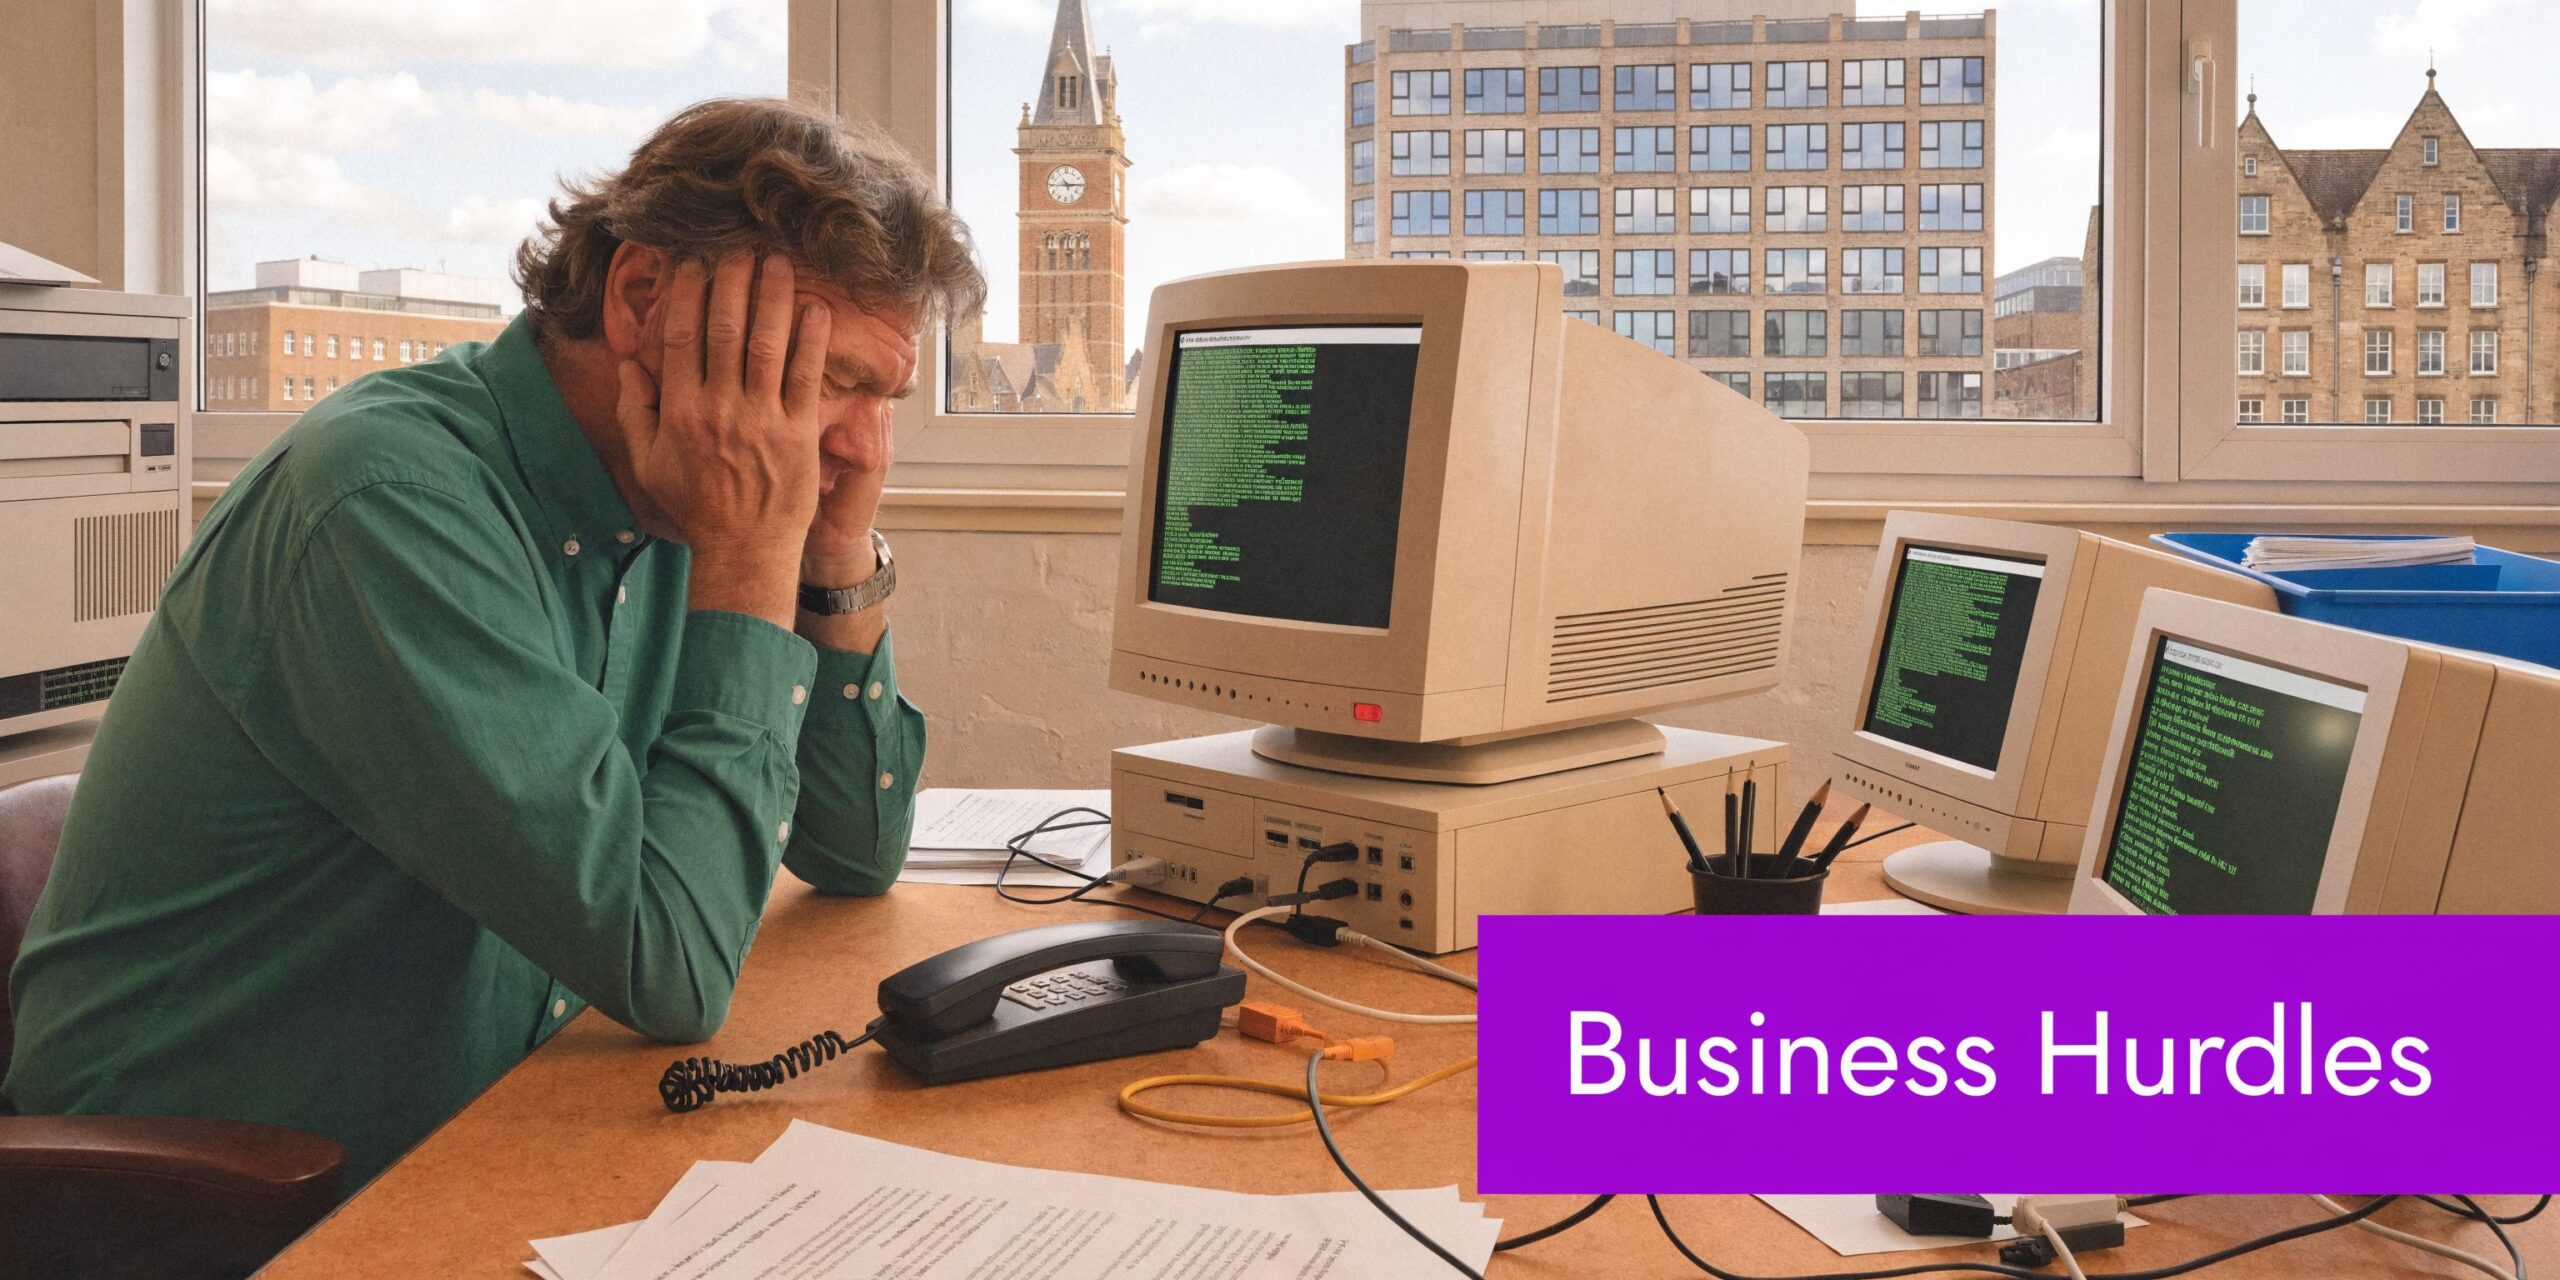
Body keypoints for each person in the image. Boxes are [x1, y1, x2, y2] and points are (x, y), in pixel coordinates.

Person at [1, 98, 984, 1191]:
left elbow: (854, 853)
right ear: (642, 297)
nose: (853, 441)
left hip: (487, 1126)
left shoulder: (668, 493)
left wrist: (836, 551)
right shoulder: (389, 504)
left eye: (880, 396)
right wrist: (755, 559)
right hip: (208, 1203)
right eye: (827, 380)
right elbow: (670, 967)